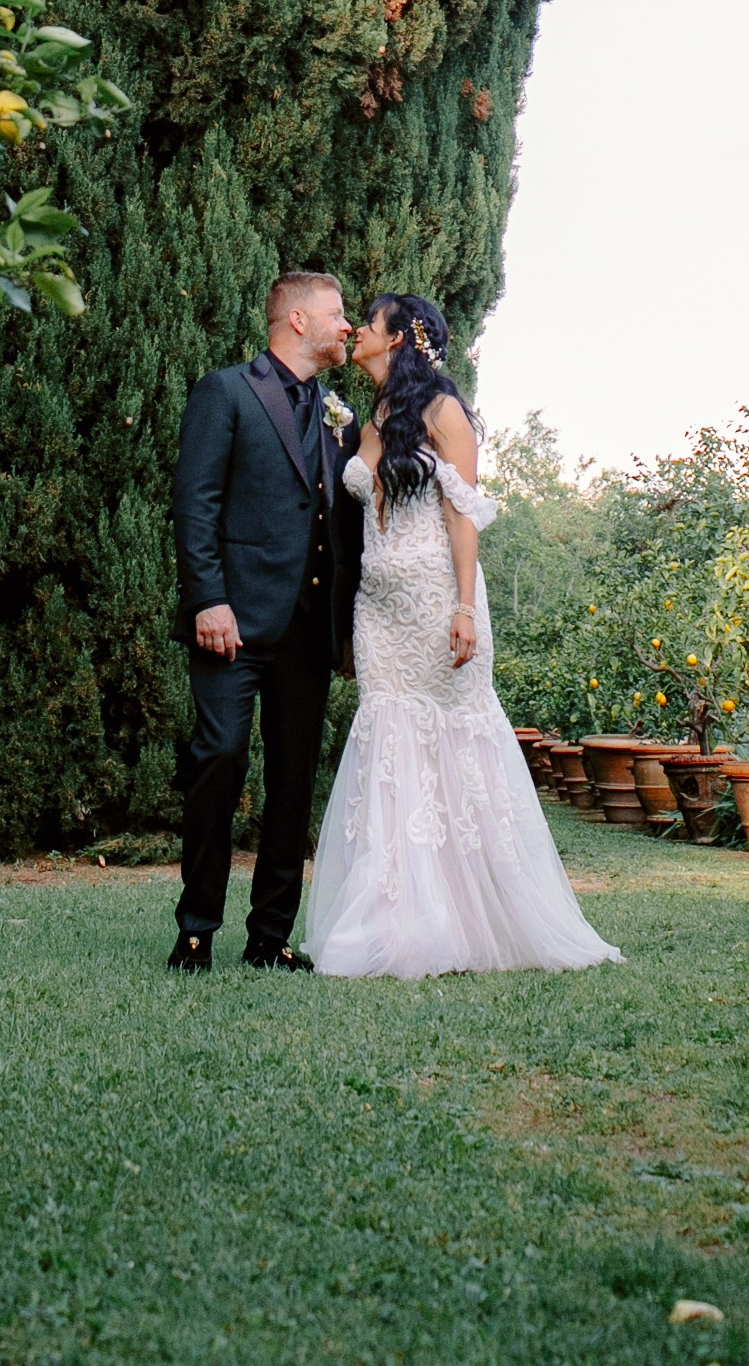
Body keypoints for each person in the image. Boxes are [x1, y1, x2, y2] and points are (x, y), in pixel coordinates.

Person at [303, 292, 621, 979]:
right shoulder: (374, 416)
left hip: (435, 601)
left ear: (396, 340)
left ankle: (472, 915)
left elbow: (463, 516)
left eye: (370, 321)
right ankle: (393, 914)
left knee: (451, 743)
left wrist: (465, 608)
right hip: (379, 610)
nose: (357, 328)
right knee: (389, 743)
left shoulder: (445, 413)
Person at [169, 270, 362, 971]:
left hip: (308, 632)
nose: (348, 326)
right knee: (218, 759)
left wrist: (346, 630)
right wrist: (206, 599)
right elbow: (195, 503)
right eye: (337, 314)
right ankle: (196, 931)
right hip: (233, 620)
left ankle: (270, 939)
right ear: (298, 321)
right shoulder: (226, 391)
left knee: (292, 782)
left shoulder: (339, 412)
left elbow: (344, 529)